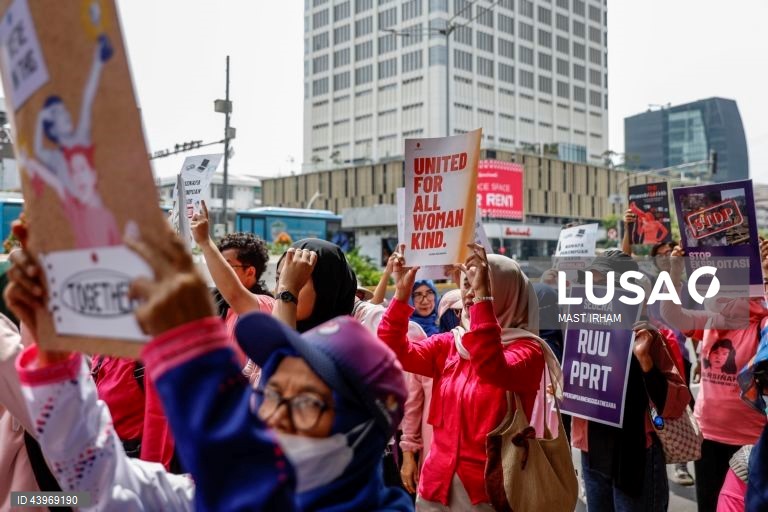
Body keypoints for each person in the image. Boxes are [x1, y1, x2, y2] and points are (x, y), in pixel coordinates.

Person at [6, 223, 413, 511]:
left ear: (359, 432)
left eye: (304, 403)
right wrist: (52, 349)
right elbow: (100, 486)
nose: (271, 416)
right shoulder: (226, 490)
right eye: (270, 393)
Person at [378, 243, 546, 510]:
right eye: (467, 284)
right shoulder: (450, 344)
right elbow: (391, 351)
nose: (470, 292)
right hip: (435, 486)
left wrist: (483, 301)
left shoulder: (529, 351)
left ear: (508, 291)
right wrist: (401, 295)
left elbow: (492, 367)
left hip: (490, 492)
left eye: (482, 283)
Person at [573, 250, 691, 511]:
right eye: (591, 283)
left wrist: (646, 363)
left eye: (601, 283)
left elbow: (676, 403)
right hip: (592, 452)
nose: (592, 290)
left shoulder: (651, 337)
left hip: (635, 455)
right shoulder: (582, 330)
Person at [661, 241, 768, 512]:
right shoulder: (711, 320)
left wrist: (764, 271)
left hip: (749, 439)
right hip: (707, 435)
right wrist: (674, 270)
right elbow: (671, 313)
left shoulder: (761, 324)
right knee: (708, 505)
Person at [20, 32, 124, 248]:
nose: (66, 114)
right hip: (74, 219)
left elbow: (87, 98)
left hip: (97, 213)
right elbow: (38, 151)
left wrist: (97, 60)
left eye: (64, 111)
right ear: (52, 127)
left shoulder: (81, 139)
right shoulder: (55, 158)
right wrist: (40, 118)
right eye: (58, 114)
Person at [274, 238, 357, 334]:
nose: (280, 291)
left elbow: (279, 347)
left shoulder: (348, 343)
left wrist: (288, 291)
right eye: (278, 279)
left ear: (326, 290)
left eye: (296, 281)